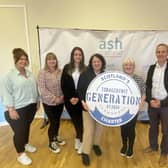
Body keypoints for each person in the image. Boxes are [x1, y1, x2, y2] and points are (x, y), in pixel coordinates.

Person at [1, 48, 39, 165]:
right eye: (21, 59)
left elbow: (34, 88)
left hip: (30, 106)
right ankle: (20, 154)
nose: (23, 61)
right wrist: (11, 109)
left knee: (26, 127)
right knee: (19, 131)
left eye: (25, 59)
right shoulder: (8, 76)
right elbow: (6, 93)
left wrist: (37, 101)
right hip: (17, 109)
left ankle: (25, 144)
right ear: (15, 60)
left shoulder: (29, 73)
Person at [77, 53, 106, 166]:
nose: (96, 63)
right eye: (94, 61)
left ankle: (96, 145)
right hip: (87, 108)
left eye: (98, 61)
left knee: (99, 128)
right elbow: (79, 90)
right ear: (91, 63)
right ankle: (85, 153)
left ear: (102, 63)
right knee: (89, 130)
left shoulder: (105, 75)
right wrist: (83, 102)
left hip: (101, 109)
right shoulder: (85, 74)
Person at [144, 43, 168, 167]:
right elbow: (148, 85)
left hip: (166, 105)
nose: (160, 54)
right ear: (156, 53)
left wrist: (162, 102)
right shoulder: (152, 68)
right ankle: (153, 146)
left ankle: (165, 152)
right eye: (158, 52)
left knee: (166, 130)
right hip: (152, 104)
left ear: (167, 53)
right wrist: (149, 100)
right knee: (153, 127)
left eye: (163, 51)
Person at [38, 52, 65, 153]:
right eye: (49, 59)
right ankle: (51, 142)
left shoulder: (60, 71)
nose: (52, 61)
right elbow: (42, 89)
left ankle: (56, 136)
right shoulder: (42, 72)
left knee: (57, 120)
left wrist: (62, 97)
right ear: (46, 61)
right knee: (53, 122)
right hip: (49, 103)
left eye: (53, 59)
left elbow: (64, 85)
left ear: (56, 60)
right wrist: (54, 98)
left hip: (60, 101)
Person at [61, 47, 86, 154]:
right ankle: (78, 139)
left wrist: (78, 98)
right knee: (76, 121)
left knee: (81, 121)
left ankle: (80, 140)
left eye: (79, 54)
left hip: (81, 100)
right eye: (76, 54)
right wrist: (71, 97)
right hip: (69, 100)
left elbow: (86, 86)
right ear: (72, 56)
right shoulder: (67, 68)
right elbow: (63, 84)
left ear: (82, 56)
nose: (77, 56)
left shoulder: (86, 69)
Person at [120, 57, 146, 158]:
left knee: (130, 128)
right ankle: (124, 145)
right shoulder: (119, 78)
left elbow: (143, 93)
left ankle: (130, 148)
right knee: (123, 128)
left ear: (134, 67)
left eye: (130, 65)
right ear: (123, 67)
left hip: (133, 109)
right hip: (120, 109)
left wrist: (141, 103)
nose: (128, 66)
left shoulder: (139, 79)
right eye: (126, 65)